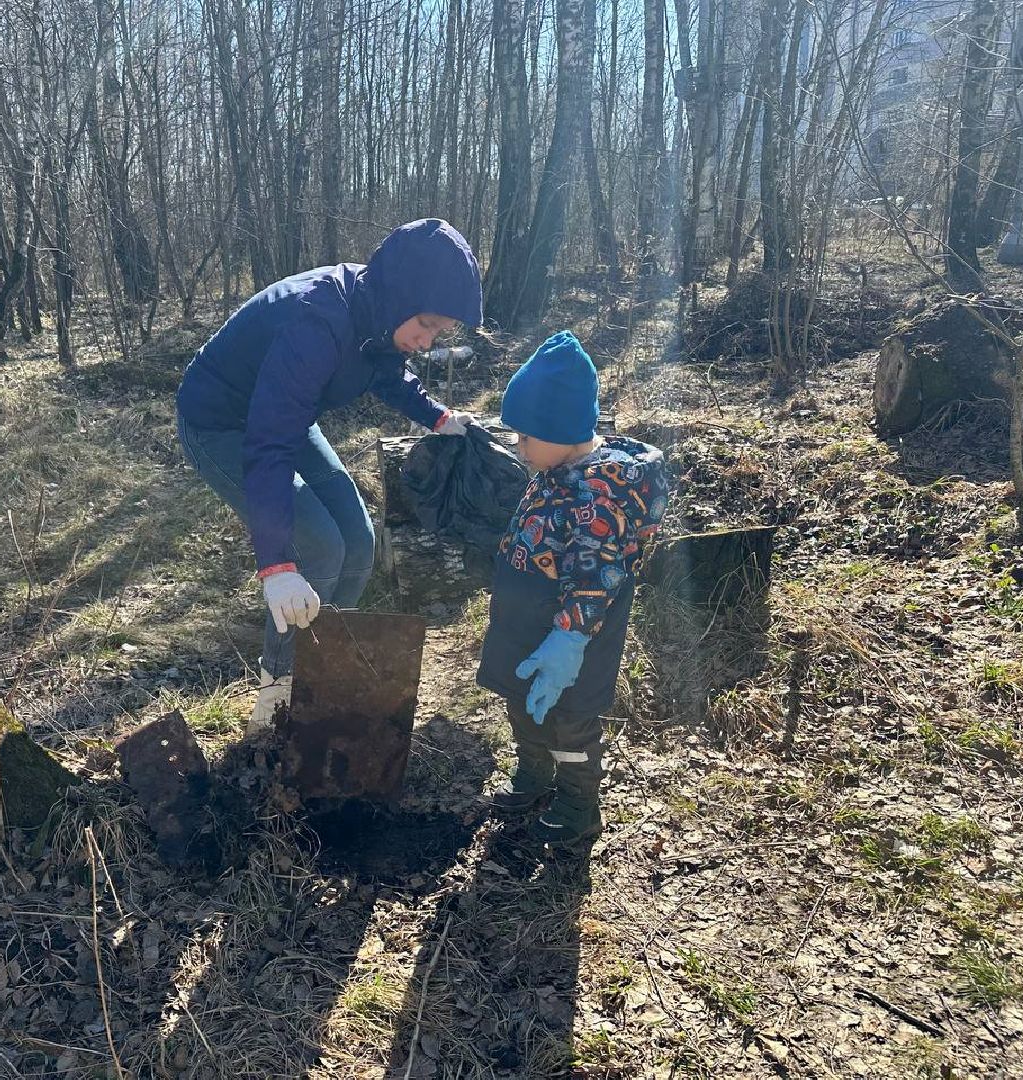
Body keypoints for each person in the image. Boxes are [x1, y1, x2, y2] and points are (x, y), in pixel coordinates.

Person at [176, 219, 484, 730]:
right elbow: (268, 442)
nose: (428, 342)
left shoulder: (377, 313)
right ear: (402, 295)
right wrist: (276, 567)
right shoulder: (316, 320)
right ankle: (277, 693)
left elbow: (388, 370)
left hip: (286, 412)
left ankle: (315, 666)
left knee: (358, 544)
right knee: (318, 544)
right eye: (427, 325)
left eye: (439, 333)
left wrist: (438, 416)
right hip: (221, 422)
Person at [476, 330, 669, 854]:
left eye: (526, 435)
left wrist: (568, 640)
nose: (518, 446)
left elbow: (595, 575)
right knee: (523, 705)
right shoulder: (555, 465)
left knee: (570, 721)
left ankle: (578, 804)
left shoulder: (602, 492)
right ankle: (534, 772)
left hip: (573, 637)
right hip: (524, 623)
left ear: (561, 428)